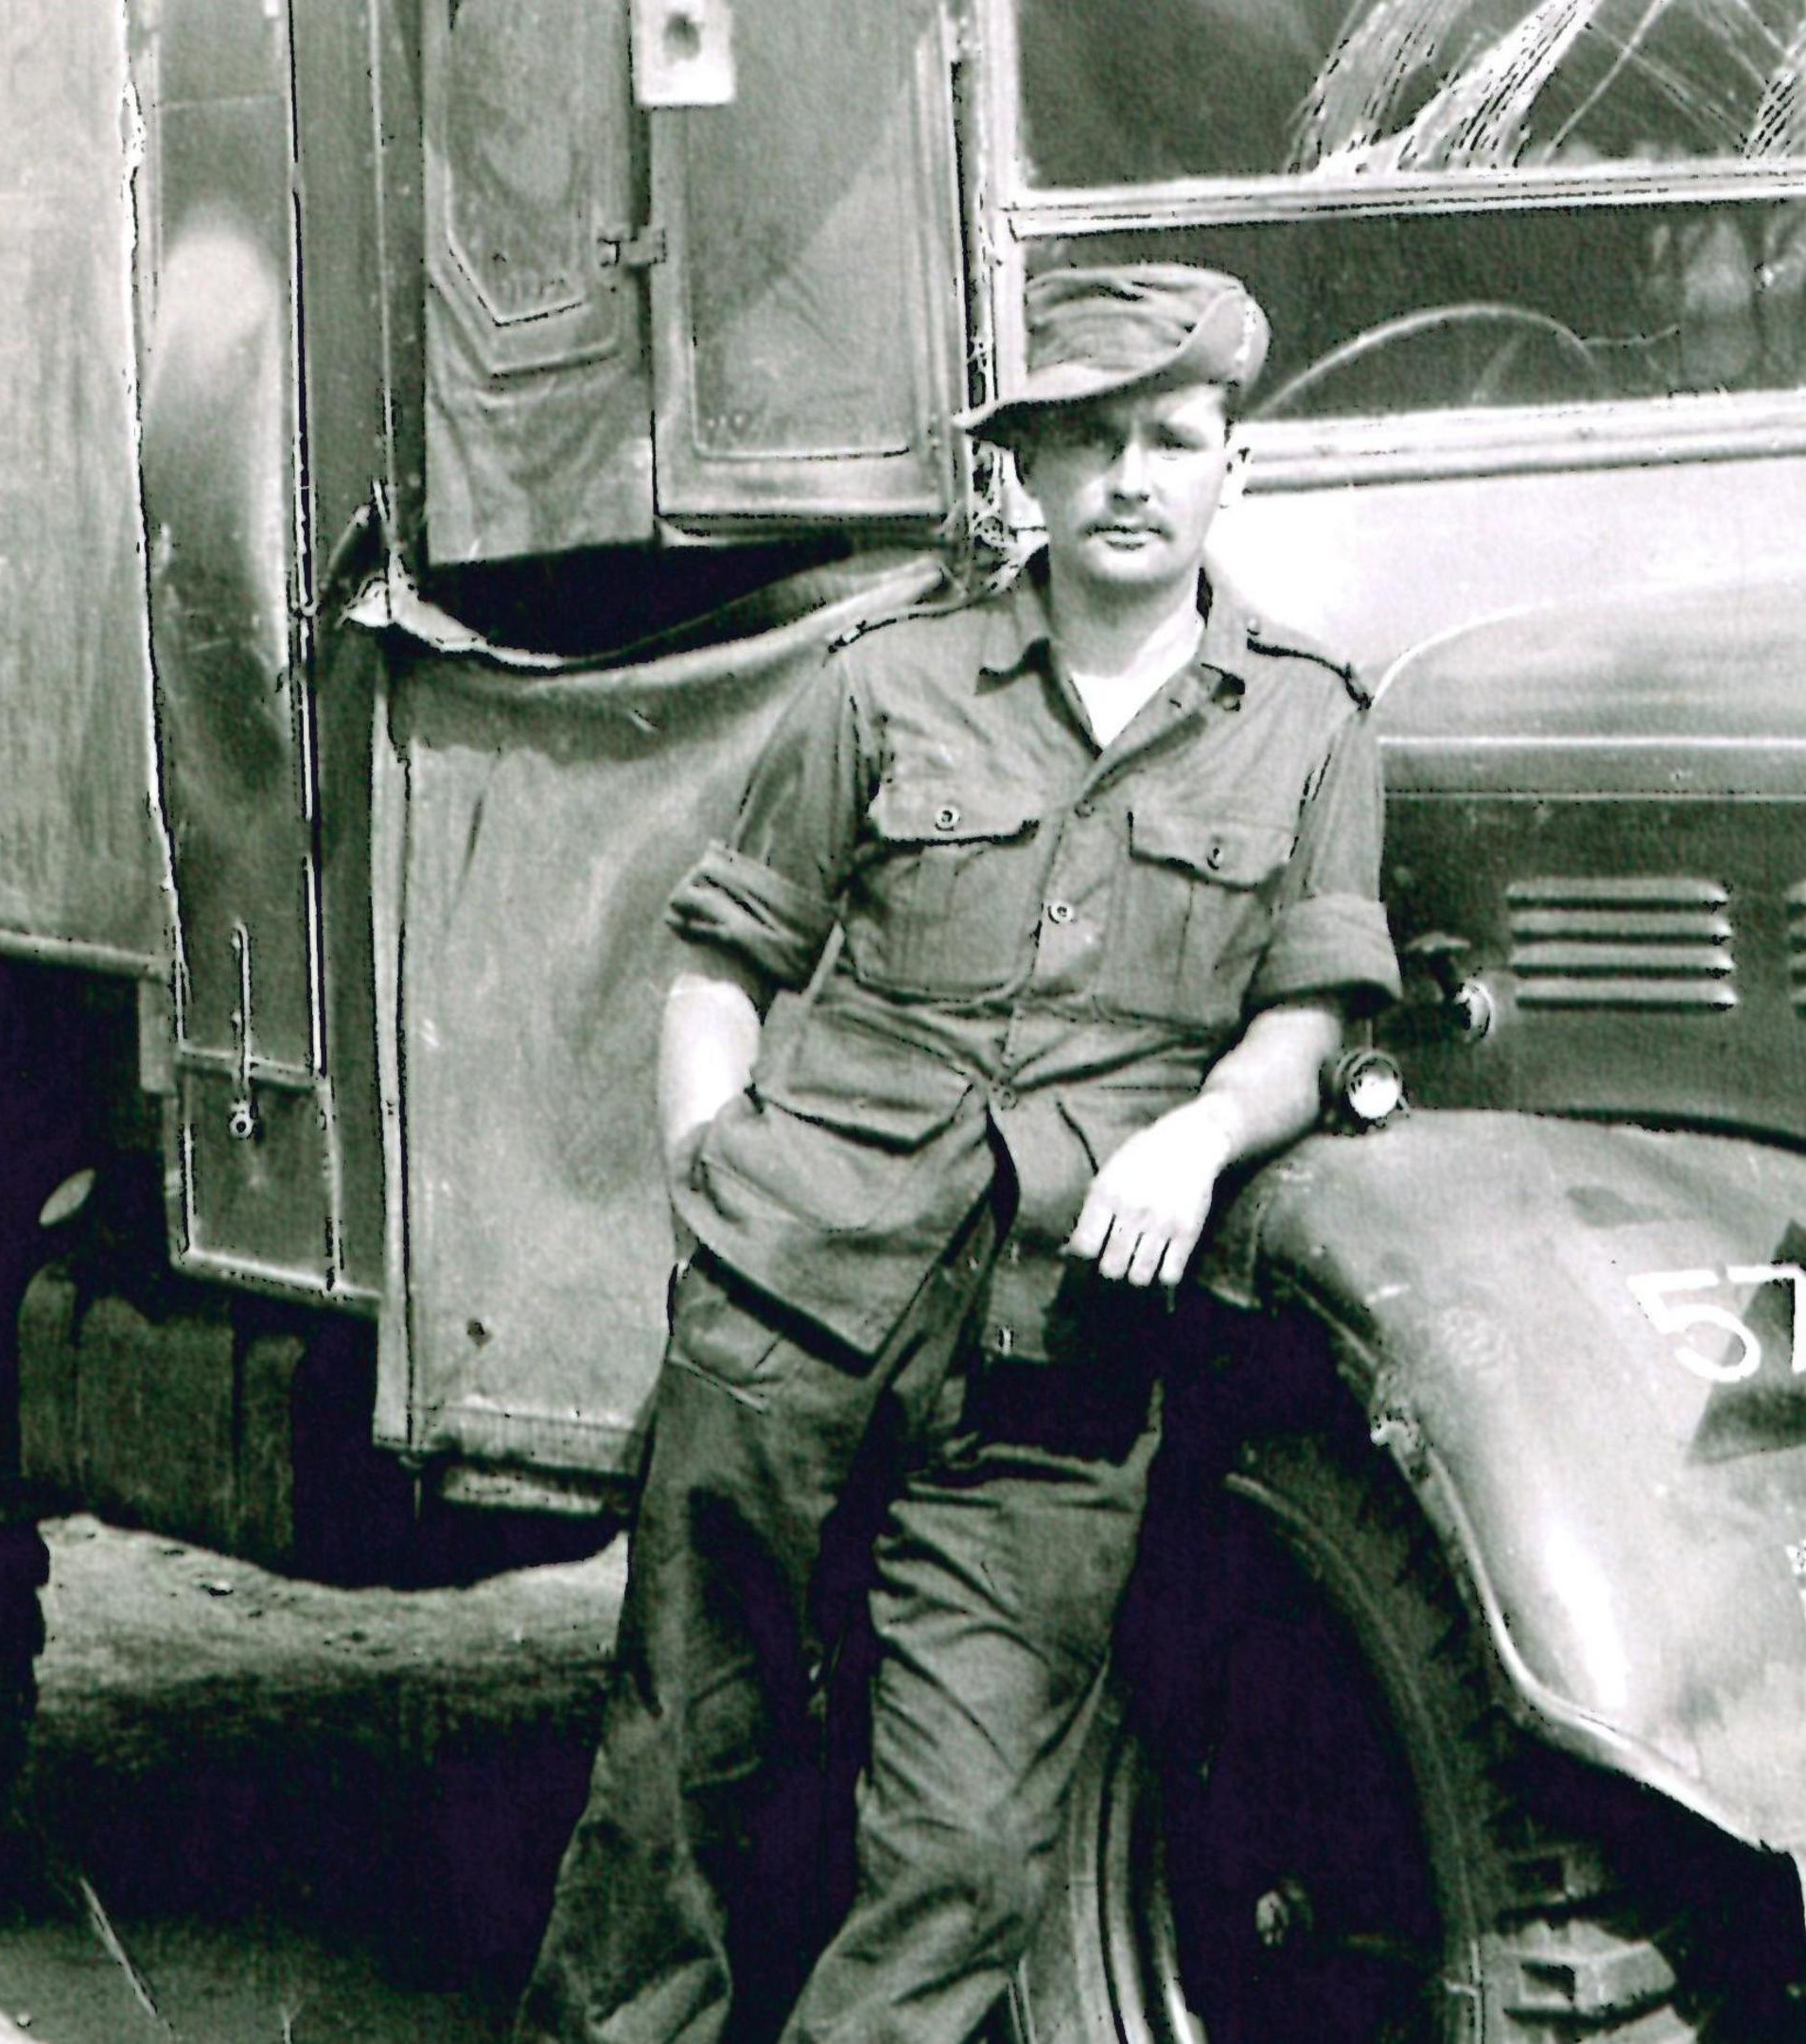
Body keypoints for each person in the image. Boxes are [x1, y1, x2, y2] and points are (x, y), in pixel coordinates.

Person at [515, 263, 1397, 2044]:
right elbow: (725, 957)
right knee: (677, 1779)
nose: (1129, 480)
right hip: (791, 1314)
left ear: (1240, 463)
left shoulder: (1310, 724)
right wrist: (717, 1189)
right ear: (1025, 477)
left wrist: (1202, 1137)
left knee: (967, 1849)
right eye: (1085, 444)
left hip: (1057, 1361)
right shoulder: (885, 686)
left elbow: (1308, 1025)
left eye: (1170, 438)